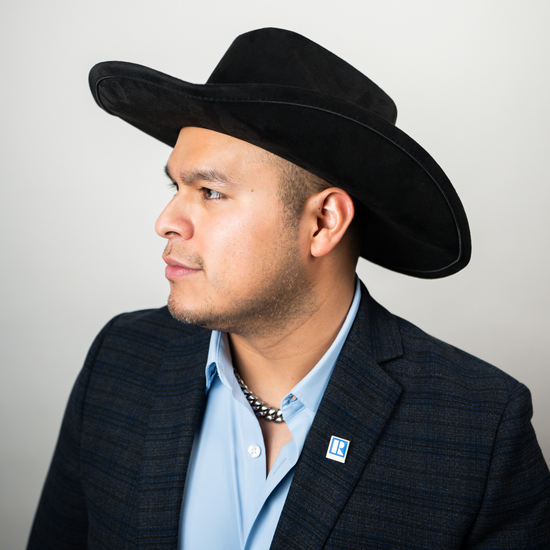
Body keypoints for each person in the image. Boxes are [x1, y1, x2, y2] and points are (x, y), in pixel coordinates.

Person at [28, 27, 550, 549]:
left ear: (323, 222)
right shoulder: (121, 361)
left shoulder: (476, 429)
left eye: (210, 192)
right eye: (176, 187)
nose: (167, 221)